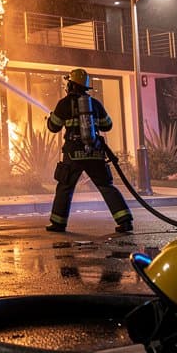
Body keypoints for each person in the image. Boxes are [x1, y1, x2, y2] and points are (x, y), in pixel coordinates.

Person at [45, 68, 133, 234]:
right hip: (95, 153)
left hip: (73, 154)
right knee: (106, 186)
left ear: (70, 85)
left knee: (65, 187)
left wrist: (51, 118)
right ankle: (125, 221)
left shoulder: (64, 104)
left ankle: (58, 223)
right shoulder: (95, 104)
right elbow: (108, 125)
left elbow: (53, 127)